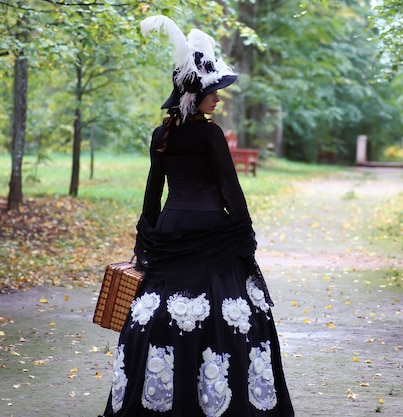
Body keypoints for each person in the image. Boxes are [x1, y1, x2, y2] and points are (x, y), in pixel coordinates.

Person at [99, 15, 294, 417]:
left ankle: (161, 398)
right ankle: (218, 399)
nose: (218, 98)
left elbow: (153, 193)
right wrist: (243, 234)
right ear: (195, 94)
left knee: (160, 314)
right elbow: (230, 189)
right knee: (225, 316)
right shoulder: (210, 134)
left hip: (171, 230)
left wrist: (146, 237)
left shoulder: (161, 134)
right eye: (213, 92)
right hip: (212, 232)